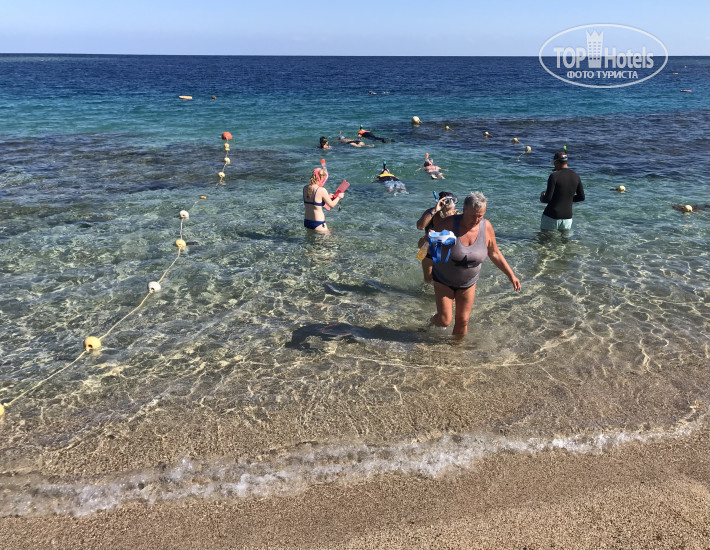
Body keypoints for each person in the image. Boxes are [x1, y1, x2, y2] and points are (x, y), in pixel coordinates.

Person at [428, 191, 521, 337]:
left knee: (463, 321)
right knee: (445, 320)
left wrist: (511, 275)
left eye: (480, 216)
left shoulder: (486, 227)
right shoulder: (450, 223)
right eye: (473, 215)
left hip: (468, 282)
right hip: (443, 279)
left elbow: (494, 253)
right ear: (464, 209)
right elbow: (428, 241)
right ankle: (432, 320)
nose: (476, 219)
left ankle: (456, 349)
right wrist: (430, 241)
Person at [416, 192, 459, 283]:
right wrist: (435, 210)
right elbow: (420, 226)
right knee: (428, 280)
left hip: (447, 252)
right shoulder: (432, 213)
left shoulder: (457, 216)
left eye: (451, 202)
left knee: (446, 280)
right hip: (430, 251)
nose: (448, 204)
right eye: (446, 201)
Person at [539, 150, 585, 230]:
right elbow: (581, 197)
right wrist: (567, 198)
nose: (554, 165)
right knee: (564, 238)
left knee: (545, 237)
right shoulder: (576, 176)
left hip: (551, 216)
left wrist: (542, 196)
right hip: (567, 218)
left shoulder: (554, 176)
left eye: (554, 163)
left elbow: (547, 199)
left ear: (557, 162)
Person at [303, 167, 343, 234]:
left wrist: (327, 196)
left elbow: (314, 201)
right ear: (321, 178)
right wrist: (339, 197)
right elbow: (331, 205)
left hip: (307, 222)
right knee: (332, 239)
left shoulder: (305, 188)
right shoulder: (321, 190)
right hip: (318, 223)